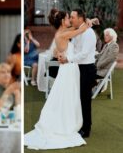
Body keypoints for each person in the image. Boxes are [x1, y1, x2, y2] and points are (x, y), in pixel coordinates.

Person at [24, 8, 89, 150]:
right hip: (68, 70)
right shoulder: (63, 34)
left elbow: (57, 49)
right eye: (67, 18)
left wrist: (60, 53)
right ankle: (65, 124)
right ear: (62, 21)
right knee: (67, 97)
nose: (70, 20)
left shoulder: (61, 33)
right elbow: (80, 30)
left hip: (68, 68)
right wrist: (87, 23)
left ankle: (68, 121)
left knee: (66, 97)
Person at [59, 8, 97, 138]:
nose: (71, 20)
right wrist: (64, 55)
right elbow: (74, 50)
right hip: (77, 69)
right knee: (78, 99)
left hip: (87, 69)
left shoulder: (89, 33)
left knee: (85, 100)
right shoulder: (77, 32)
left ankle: (86, 129)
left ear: (81, 18)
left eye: (73, 17)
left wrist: (68, 59)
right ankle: (79, 124)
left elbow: (84, 53)